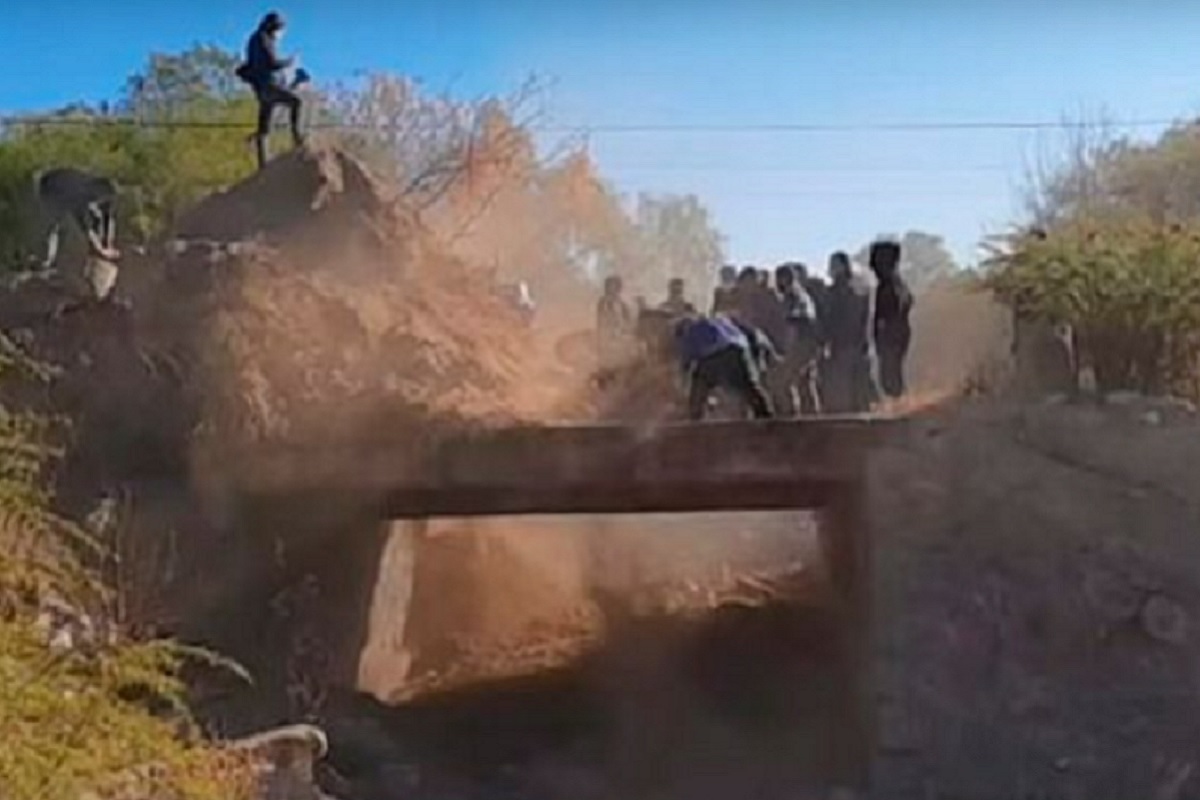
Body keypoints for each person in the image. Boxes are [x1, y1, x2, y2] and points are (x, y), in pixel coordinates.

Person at [674, 314, 774, 421]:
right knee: (748, 385)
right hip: (739, 350)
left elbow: (686, 360)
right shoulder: (720, 320)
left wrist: (681, 381)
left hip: (716, 355)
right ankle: (765, 414)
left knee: (700, 384)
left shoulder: (690, 331)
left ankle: (694, 417)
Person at [239, 11, 305, 170]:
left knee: (264, 129)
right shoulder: (264, 39)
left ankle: (263, 166)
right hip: (269, 85)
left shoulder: (254, 40)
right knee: (296, 102)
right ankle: (297, 138)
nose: (281, 35)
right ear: (275, 28)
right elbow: (272, 63)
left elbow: (250, 65)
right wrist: (290, 61)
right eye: (281, 30)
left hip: (261, 89)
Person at [34, 167, 120, 270]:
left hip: (65, 181)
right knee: (56, 227)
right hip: (50, 188)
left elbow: (107, 216)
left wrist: (109, 244)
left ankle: (93, 249)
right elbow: (85, 227)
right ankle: (47, 260)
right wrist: (101, 249)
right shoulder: (81, 196)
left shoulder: (99, 190)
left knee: (95, 217)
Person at [766, 264, 822, 416]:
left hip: (801, 345)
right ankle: (814, 420)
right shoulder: (802, 295)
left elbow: (794, 325)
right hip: (810, 345)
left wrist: (786, 350)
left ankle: (792, 417)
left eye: (780, 279)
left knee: (784, 382)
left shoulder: (794, 297)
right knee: (805, 383)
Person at [821, 252, 873, 413]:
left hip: (843, 344)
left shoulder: (835, 291)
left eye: (835, 265)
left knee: (843, 388)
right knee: (857, 387)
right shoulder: (861, 290)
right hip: (855, 343)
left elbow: (831, 319)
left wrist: (826, 340)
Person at [869, 240, 914, 400]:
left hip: (891, 336)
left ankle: (899, 408)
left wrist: (881, 336)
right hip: (900, 334)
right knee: (893, 372)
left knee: (890, 375)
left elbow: (885, 315)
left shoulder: (888, 286)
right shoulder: (899, 284)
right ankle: (900, 404)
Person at [596, 274, 634, 369]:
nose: (609, 288)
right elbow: (602, 320)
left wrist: (625, 329)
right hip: (608, 336)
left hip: (620, 335)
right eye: (608, 285)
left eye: (612, 285)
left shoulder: (622, 303)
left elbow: (628, 320)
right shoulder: (604, 301)